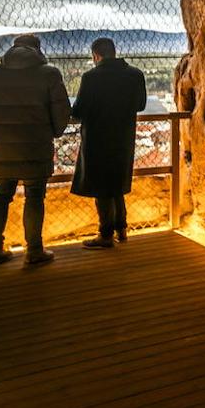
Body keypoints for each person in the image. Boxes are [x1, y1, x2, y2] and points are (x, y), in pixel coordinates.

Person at [0, 33, 70, 267]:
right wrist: (55, 131)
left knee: (1, 196)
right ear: (37, 50)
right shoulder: (49, 74)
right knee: (35, 196)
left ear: (13, 48)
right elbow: (61, 111)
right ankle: (35, 251)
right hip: (36, 145)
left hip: (4, 146)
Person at [71, 37, 147, 249]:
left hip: (97, 138)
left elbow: (78, 111)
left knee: (101, 186)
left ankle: (105, 235)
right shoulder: (135, 74)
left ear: (96, 55)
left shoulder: (91, 77)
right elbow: (140, 105)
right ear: (114, 52)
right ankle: (121, 229)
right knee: (116, 184)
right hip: (124, 137)